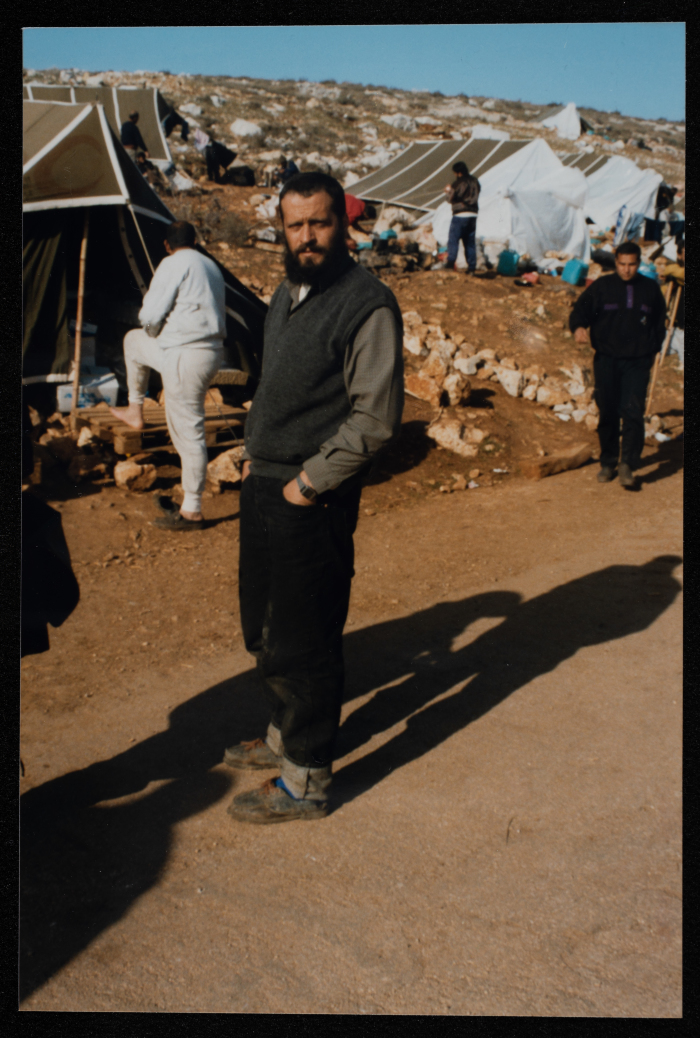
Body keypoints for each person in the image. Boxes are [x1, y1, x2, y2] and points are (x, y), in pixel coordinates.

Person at [224, 172, 404, 824]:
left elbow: (375, 418)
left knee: (307, 638)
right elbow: (277, 388)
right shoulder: (283, 294)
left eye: (319, 222)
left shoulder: (367, 303)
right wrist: (253, 453)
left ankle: (306, 781)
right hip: (265, 482)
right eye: (295, 224)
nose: (306, 236)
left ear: (343, 224)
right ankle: (281, 736)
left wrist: (308, 482)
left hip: (312, 497)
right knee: (265, 628)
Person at [108, 221, 225, 529]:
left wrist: (155, 329)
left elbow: (150, 314)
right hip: (209, 352)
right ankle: (135, 409)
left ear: (166, 244)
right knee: (134, 342)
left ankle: (192, 509)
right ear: (196, 241)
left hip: (184, 355)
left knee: (188, 432)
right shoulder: (210, 266)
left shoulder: (173, 263)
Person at [570, 241, 667, 488]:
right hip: (606, 359)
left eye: (632, 264)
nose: (626, 270)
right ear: (616, 263)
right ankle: (609, 461)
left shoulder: (650, 289)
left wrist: (651, 349)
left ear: (639, 263)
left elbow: (659, 323)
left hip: (637, 362)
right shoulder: (602, 287)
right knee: (608, 411)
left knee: (633, 412)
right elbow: (580, 311)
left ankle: (628, 465)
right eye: (622, 264)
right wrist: (579, 327)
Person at [435, 161, 480, 273]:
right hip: (473, 214)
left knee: (453, 239)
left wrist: (448, 191)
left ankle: (450, 264)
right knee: (469, 241)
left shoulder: (458, 183)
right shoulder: (475, 181)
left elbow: (451, 198)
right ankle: (471, 268)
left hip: (460, 214)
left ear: (458, 172)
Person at [664, 239, 684, 369]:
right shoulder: (674, 272)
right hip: (677, 324)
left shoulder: (676, 271)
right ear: (679, 255)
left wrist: (671, 271)